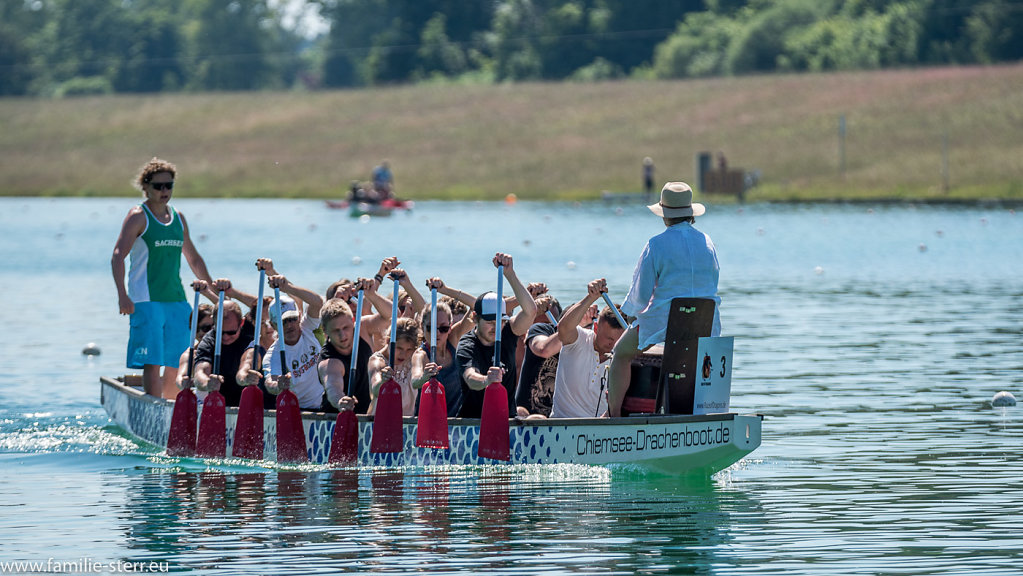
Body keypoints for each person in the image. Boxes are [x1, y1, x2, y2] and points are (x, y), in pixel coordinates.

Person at [606, 182, 721, 418]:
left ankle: (613, 417)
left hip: (665, 321)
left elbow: (640, 296)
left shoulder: (655, 245)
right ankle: (702, 414)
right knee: (689, 352)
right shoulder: (708, 242)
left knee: (620, 354)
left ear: (664, 215)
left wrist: (628, 313)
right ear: (690, 213)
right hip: (706, 321)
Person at [111, 157, 213, 399]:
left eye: (169, 185)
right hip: (145, 299)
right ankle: (155, 406)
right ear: (145, 187)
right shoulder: (138, 216)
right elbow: (117, 256)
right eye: (158, 186)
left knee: (179, 357)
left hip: (176, 299)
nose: (164, 190)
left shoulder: (178, 217)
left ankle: (170, 406)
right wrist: (122, 296)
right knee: (153, 358)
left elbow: (194, 259)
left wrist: (214, 291)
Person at [456, 253, 537, 419]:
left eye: (499, 320)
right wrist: (486, 380)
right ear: (474, 318)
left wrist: (510, 274)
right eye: (489, 321)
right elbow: (470, 377)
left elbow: (531, 311)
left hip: (506, 419)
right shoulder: (467, 344)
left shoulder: (507, 332)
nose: (495, 326)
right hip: (474, 422)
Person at [550, 279, 626, 418]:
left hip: (600, 433)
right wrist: (591, 297)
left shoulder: (624, 358)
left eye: (619, 340)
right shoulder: (579, 339)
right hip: (562, 425)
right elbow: (563, 328)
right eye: (608, 338)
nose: (613, 345)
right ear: (596, 328)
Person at [410, 277, 477, 416]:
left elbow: (476, 306)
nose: (437, 333)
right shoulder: (421, 355)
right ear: (422, 327)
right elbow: (415, 381)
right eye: (431, 328)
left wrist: (445, 290)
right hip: (428, 422)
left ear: (450, 328)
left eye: (444, 328)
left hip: (456, 424)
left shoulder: (454, 340)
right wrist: (424, 377)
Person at [262, 270, 326, 411]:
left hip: (327, 404)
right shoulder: (273, 355)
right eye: (283, 322)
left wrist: (288, 288)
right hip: (299, 412)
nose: (289, 325)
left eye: (292, 319)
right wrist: (278, 385)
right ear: (273, 326)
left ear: (298, 316)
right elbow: (269, 382)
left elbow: (318, 302)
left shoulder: (309, 328)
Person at [188, 279, 258, 407]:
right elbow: (200, 372)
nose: (225, 337)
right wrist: (207, 383)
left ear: (241, 323)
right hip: (221, 405)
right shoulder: (209, 341)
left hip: (251, 402)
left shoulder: (250, 328)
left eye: (231, 332)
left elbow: (262, 307)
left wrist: (233, 292)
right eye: (221, 332)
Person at [317, 281, 376, 414]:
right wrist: (340, 400)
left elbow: (389, 315)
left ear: (353, 321)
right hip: (335, 422)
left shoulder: (362, 330)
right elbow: (333, 386)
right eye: (336, 330)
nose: (342, 335)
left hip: (365, 419)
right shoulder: (329, 362)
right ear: (325, 331)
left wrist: (371, 294)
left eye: (345, 328)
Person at [514, 294, 562, 418]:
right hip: (520, 414)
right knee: (520, 411)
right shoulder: (515, 342)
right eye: (537, 325)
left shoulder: (564, 342)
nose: (543, 332)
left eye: (548, 324)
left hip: (553, 416)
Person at [367, 317, 424, 416]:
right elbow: (375, 390)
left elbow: (417, 379)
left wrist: (424, 376)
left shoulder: (414, 359)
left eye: (409, 349)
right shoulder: (377, 361)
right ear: (388, 341)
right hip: (379, 422)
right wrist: (382, 381)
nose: (403, 354)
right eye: (399, 348)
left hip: (406, 426)